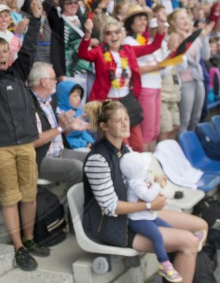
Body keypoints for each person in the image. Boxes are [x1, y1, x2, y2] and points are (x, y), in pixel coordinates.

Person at [83, 100, 208, 283]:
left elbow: (142, 176)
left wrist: (155, 181)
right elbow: (111, 207)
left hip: (139, 213)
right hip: (114, 226)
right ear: (104, 126)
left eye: (126, 118)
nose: (126, 123)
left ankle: (181, 272)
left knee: (201, 226)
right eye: (119, 121)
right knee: (188, 242)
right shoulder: (97, 159)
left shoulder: (126, 150)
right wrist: (149, 204)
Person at [0, 0, 49, 271]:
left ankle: (29, 239)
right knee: (10, 197)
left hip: (26, 144)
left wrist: (36, 18)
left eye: (5, 51)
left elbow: (28, 48)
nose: (3, 55)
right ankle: (18, 247)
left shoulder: (17, 73)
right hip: (1, 148)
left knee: (29, 195)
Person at [78, 16, 166, 152]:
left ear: (122, 34)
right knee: (121, 144)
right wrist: (88, 35)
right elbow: (83, 54)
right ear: (104, 37)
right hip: (109, 102)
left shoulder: (128, 50)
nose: (113, 36)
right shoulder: (99, 52)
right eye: (109, 33)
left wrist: (160, 32)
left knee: (137, 143)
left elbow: (153, 47)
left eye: (117, 32)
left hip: (127, 100)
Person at [120, 152, 202, 282]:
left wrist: (157, 182)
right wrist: (158, 185)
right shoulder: (135, 183)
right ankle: (164, 264)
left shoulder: (141, 179)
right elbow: (148, 197)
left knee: (169, 228)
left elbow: (151, 191)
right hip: (138, 220)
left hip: (148, 216)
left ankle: (190, 238)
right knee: (158, 236)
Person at [28, 63, 88, 191]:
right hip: (39, 160)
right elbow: (33, 140)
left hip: (59, 152)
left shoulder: (50, 101)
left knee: (93, 160)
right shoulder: (28, 104)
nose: (56, 81)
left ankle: (93, 207)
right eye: (53, 78)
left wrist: (69, 127)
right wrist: (60, 128)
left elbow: (56, 132)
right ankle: (74, 208)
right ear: (44, 82)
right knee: (76, 168)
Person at [122, 5, 164, 152]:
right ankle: (147, 168)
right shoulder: (127, 42)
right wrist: (157, 67)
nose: (143, 22)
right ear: (131, 23)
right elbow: (133, 69)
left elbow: (155, 47)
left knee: (154, 131)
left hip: (156, 85)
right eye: (139, 19)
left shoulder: (144, 39)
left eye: (145, 19)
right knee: (146, 133)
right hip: (144, 88)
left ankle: (153, 167)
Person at [167, 8, 214, 133]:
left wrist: (204, 37)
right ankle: (183, 148)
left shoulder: (192, 36)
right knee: (185, 120)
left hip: (198, 79)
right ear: (173, 22)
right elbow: (179, 65)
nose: (185, 21)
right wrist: (183, 43)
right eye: (181, 18)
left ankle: (192, 146)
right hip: (184, 82)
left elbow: (205, 56)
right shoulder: (172, 38)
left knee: (196, 118)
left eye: (186, 18)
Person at [56, 80, 94, 150]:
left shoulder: (78, 111)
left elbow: (84, 132)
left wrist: (90, 142)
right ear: (64, 97)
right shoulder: (60, 114)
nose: (79, 99)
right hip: (70, 148)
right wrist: (84, 144)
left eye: (79, 96)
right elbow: (66, 139)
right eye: (75, 96)